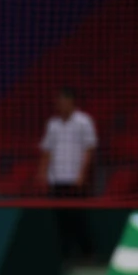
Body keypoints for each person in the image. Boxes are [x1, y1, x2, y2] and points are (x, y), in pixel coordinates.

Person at [38, 88, 98, 262]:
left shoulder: (84, 122)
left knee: (78, 217)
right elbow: (47, 150)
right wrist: (43, 173)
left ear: (72, 102)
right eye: (58, 102)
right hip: (57, 178)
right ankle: (65, 256)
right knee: (60, 219)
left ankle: (88, 253)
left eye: (63, 101)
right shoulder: (52, 124)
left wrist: (82, 174)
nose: (60, 105)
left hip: (75, 179)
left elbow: (89, 149)